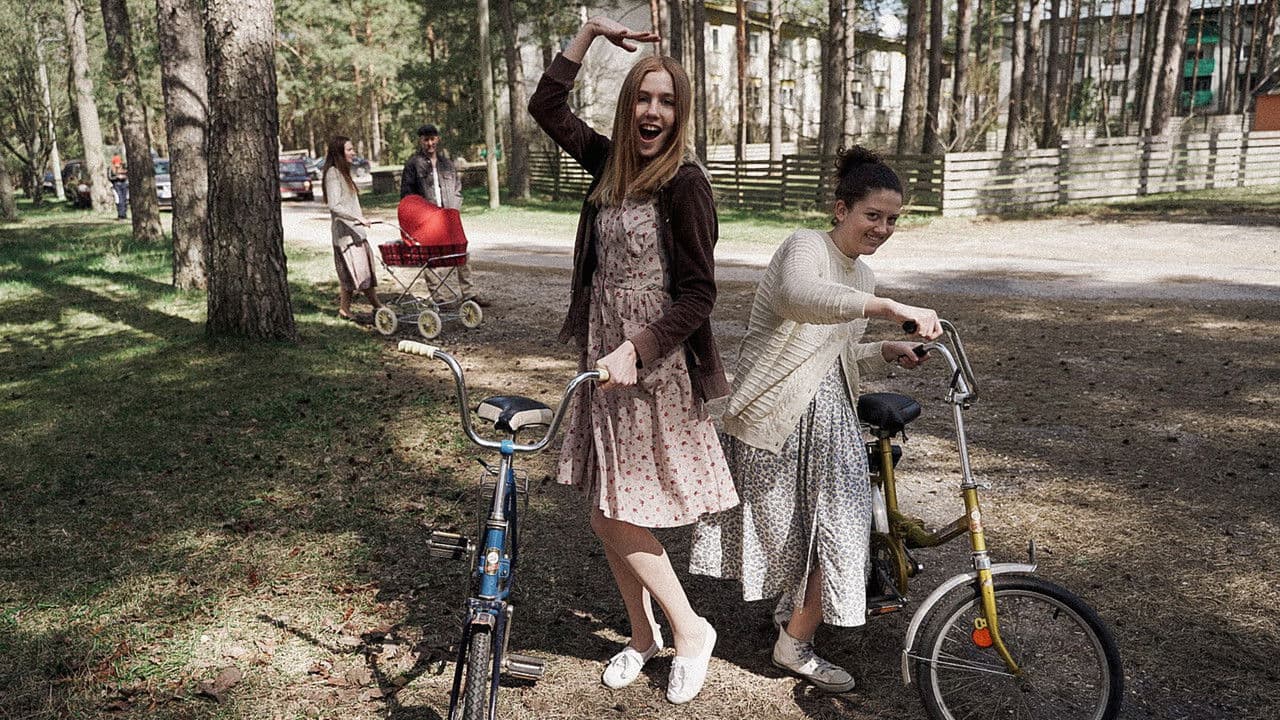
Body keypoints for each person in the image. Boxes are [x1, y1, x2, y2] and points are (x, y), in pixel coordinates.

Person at [528, 16, 739, 705]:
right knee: (603, 507)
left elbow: (700, 295)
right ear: (628, 106)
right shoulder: (610, 164)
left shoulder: (685, 184)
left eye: (666, 101)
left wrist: (638, 348)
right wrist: (588, 32)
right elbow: (546, 107)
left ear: (680, 113)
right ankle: (643, 636)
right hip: (603, 356)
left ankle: (690, 630)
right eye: (644, 98)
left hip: (653, 366)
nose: (653, 111)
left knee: (618, 512)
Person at [688, 146, 943, 694]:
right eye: (872, 215)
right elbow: (800, 298)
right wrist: (889, 307)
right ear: (841, 209)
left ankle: (794, 640)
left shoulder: (863, 274)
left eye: (892, 219)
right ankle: (794, 628)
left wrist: (885, 350)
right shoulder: (805, 246)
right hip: (775, 415)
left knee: (843, 532)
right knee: (795, 535)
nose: (882, 228)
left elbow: (837, 349)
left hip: (830, 418)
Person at [400, 124, 488, 307]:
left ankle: (469, 294)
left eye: (432, 139)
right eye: (426, 140)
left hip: (449, 218)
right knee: (429, 258)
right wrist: (422, 215)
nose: (430, 143)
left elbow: (457, 190)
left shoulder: (447, 164)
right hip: (427, 220)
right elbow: (407, 196)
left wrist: (454, 210)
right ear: (420, 141)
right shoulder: (413, 165)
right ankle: (440, 298)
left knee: (461, 251)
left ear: (438, 139)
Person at [323, 135, 384, 321]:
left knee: (353, 274)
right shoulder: (333, 174)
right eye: (349, 149)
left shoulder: (343, 172)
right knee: (360, 274)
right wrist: (357, 218)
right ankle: (378, 307)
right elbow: (334, 205)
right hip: (346, 235)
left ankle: (345, 309)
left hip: (355, 232)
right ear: (339, 152)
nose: (353, 152)